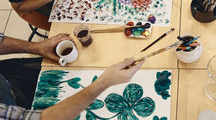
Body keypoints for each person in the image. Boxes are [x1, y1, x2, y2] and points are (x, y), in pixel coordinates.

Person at [0, 33, 144, 119]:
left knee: (55, 74)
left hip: (7, 75)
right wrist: (104, 82)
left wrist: (37, 47)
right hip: (16, 105)